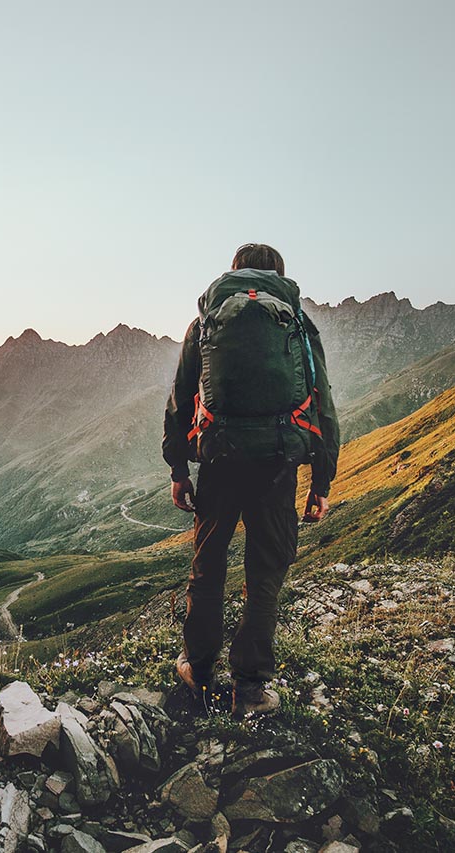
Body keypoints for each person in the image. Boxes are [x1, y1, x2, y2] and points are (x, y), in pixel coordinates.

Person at [162, 243, 340, 718]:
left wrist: (179, 470)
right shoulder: (299, 324)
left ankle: (198, 670)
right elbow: (323, 404)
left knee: (208, 566)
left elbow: (181, 400)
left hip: (219, 460)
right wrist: (322, 481)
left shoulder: (206, 323)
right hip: (278, 465)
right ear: (280, 275)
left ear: (234, 273)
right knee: (264, 575)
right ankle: (250, 688)